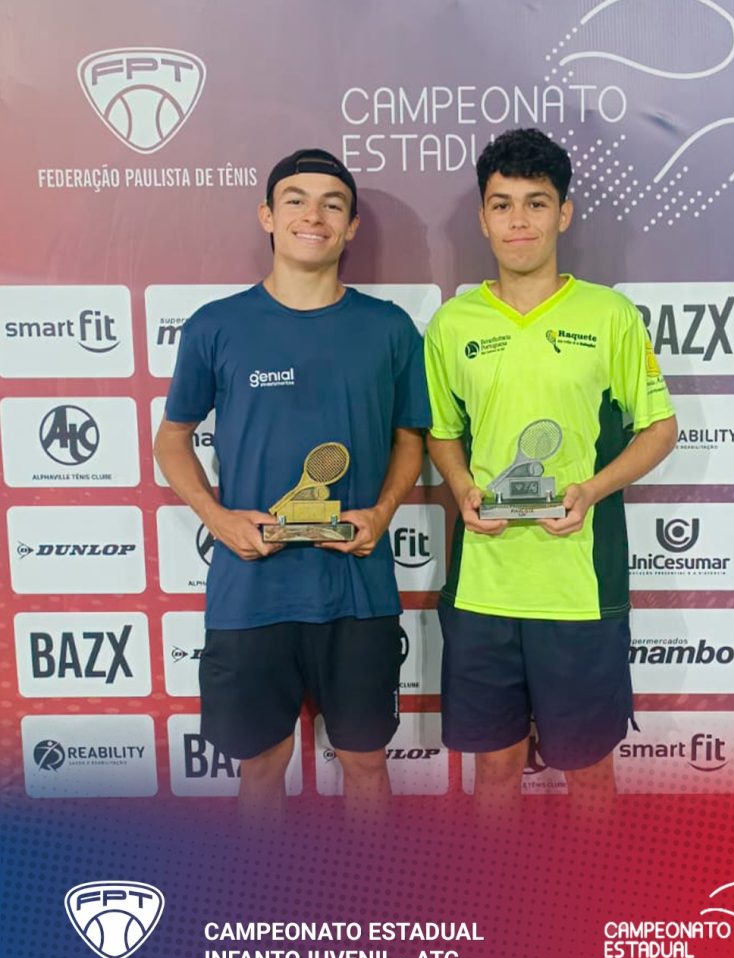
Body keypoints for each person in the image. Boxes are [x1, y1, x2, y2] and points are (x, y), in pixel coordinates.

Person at [154, 148, 430, 818]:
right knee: (260, 768)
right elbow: (172, 438)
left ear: (351, 226)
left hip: (357, 590)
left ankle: (369, 887)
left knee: (366, 764)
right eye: (296, 201)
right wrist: (218, 518)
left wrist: (382, 512)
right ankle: (261, 888)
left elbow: (410, 439)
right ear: (268, 217)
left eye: (333, 205)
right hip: (252, 592)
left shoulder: (389, 328)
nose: (314, 216)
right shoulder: (216, 325)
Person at [424, 129, 677, 813]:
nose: (518, 221)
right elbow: (442, 433)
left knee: (588, 773)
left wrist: (591, 489)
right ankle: (499, 888)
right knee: (495, 771)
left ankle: (593, 887)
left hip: (579, 591)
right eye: (501, 204)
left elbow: (659, 429)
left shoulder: (609, 314)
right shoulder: (452, 324)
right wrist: (462, 486)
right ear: (482, 218)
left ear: (563, 213)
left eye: (536, 203)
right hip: (485, 588)